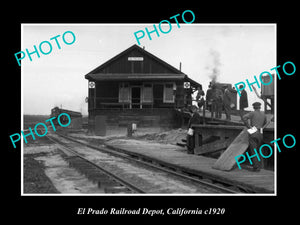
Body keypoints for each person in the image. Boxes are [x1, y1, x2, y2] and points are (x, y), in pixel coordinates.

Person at [242, 102, 267, 171]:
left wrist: (248, 126)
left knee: (253, 150)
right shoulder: (263, 114)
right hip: (260, 132)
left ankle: (256, 167)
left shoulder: (252, 113)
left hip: (253, 131)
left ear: (254, 107)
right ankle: (260, 166)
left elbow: (244, 117)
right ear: (260, 107)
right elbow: (265, 122)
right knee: (259, 150)